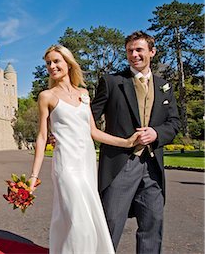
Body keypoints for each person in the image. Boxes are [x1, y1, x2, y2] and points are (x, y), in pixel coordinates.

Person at [29, 44, 140, 254]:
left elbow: (94, 132)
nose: (52, 66)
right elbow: (42, 137)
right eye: (48, 63)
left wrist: (127, 142)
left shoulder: (84, 94)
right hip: (65, 165)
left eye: (56, 61)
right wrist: (33, 177)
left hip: (86, 163)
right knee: (79, 219)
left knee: (86, 218)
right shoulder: (46, 96)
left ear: (68, 64)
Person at [91, 31, 180, 253]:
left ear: (152, 51)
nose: (134, 55)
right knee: (109, 226)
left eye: (139, 50)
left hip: (152, 168)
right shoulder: (112, 82)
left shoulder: (164, 85)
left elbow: (174, 123)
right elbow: (88, 118)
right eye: (130, 50)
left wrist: (156, 134)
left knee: (152, 225)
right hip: (119, 165)